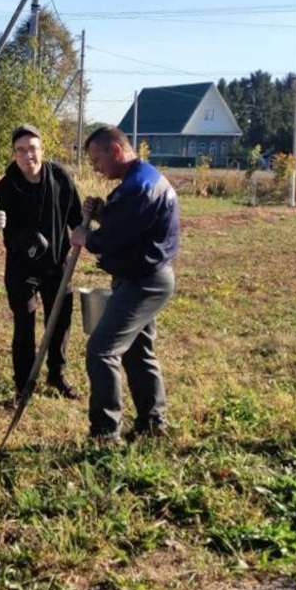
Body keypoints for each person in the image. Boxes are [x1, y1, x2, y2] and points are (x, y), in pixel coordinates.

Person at [70, 126, 180, 445]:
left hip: (142, 282)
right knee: (137, 351)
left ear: (116, 151)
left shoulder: (138, 188)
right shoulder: (142, 179)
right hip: (150, 277)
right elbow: (131, 226)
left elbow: (112, 239)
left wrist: (86, 237)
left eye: (96, 159)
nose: (95, 167)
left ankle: (105, 433)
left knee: (101, 350)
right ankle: (152, 424)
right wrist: (105, 213)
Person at [0, 124, 84, 404]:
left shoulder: (60, 177)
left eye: (32, 148)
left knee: (59, 321)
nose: (27, 156)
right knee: (24, 325)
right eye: (20, 150)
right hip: (21, 270)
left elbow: (75, 216)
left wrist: (85, 230)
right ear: (14, 155)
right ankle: (23, 384)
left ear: (42, 150)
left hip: (57, 265)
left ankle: (56, 375)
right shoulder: (7, 185)